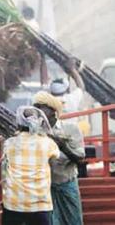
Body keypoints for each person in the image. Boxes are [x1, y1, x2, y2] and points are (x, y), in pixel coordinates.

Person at [33, 91, 85, 225]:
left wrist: (63, 147)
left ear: (52, 110)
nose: (36, 111)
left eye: (40, 107)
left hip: (67, 185)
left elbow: (80, 158)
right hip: (45, 190)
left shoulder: (70, 129)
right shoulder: (34, 133)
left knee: (74, 221)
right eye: (35, 107)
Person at [2, 106, 59, 225]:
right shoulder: (47, 143)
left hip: (14, 204)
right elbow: (55, 161)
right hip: (40, 204)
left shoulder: (9, 143)